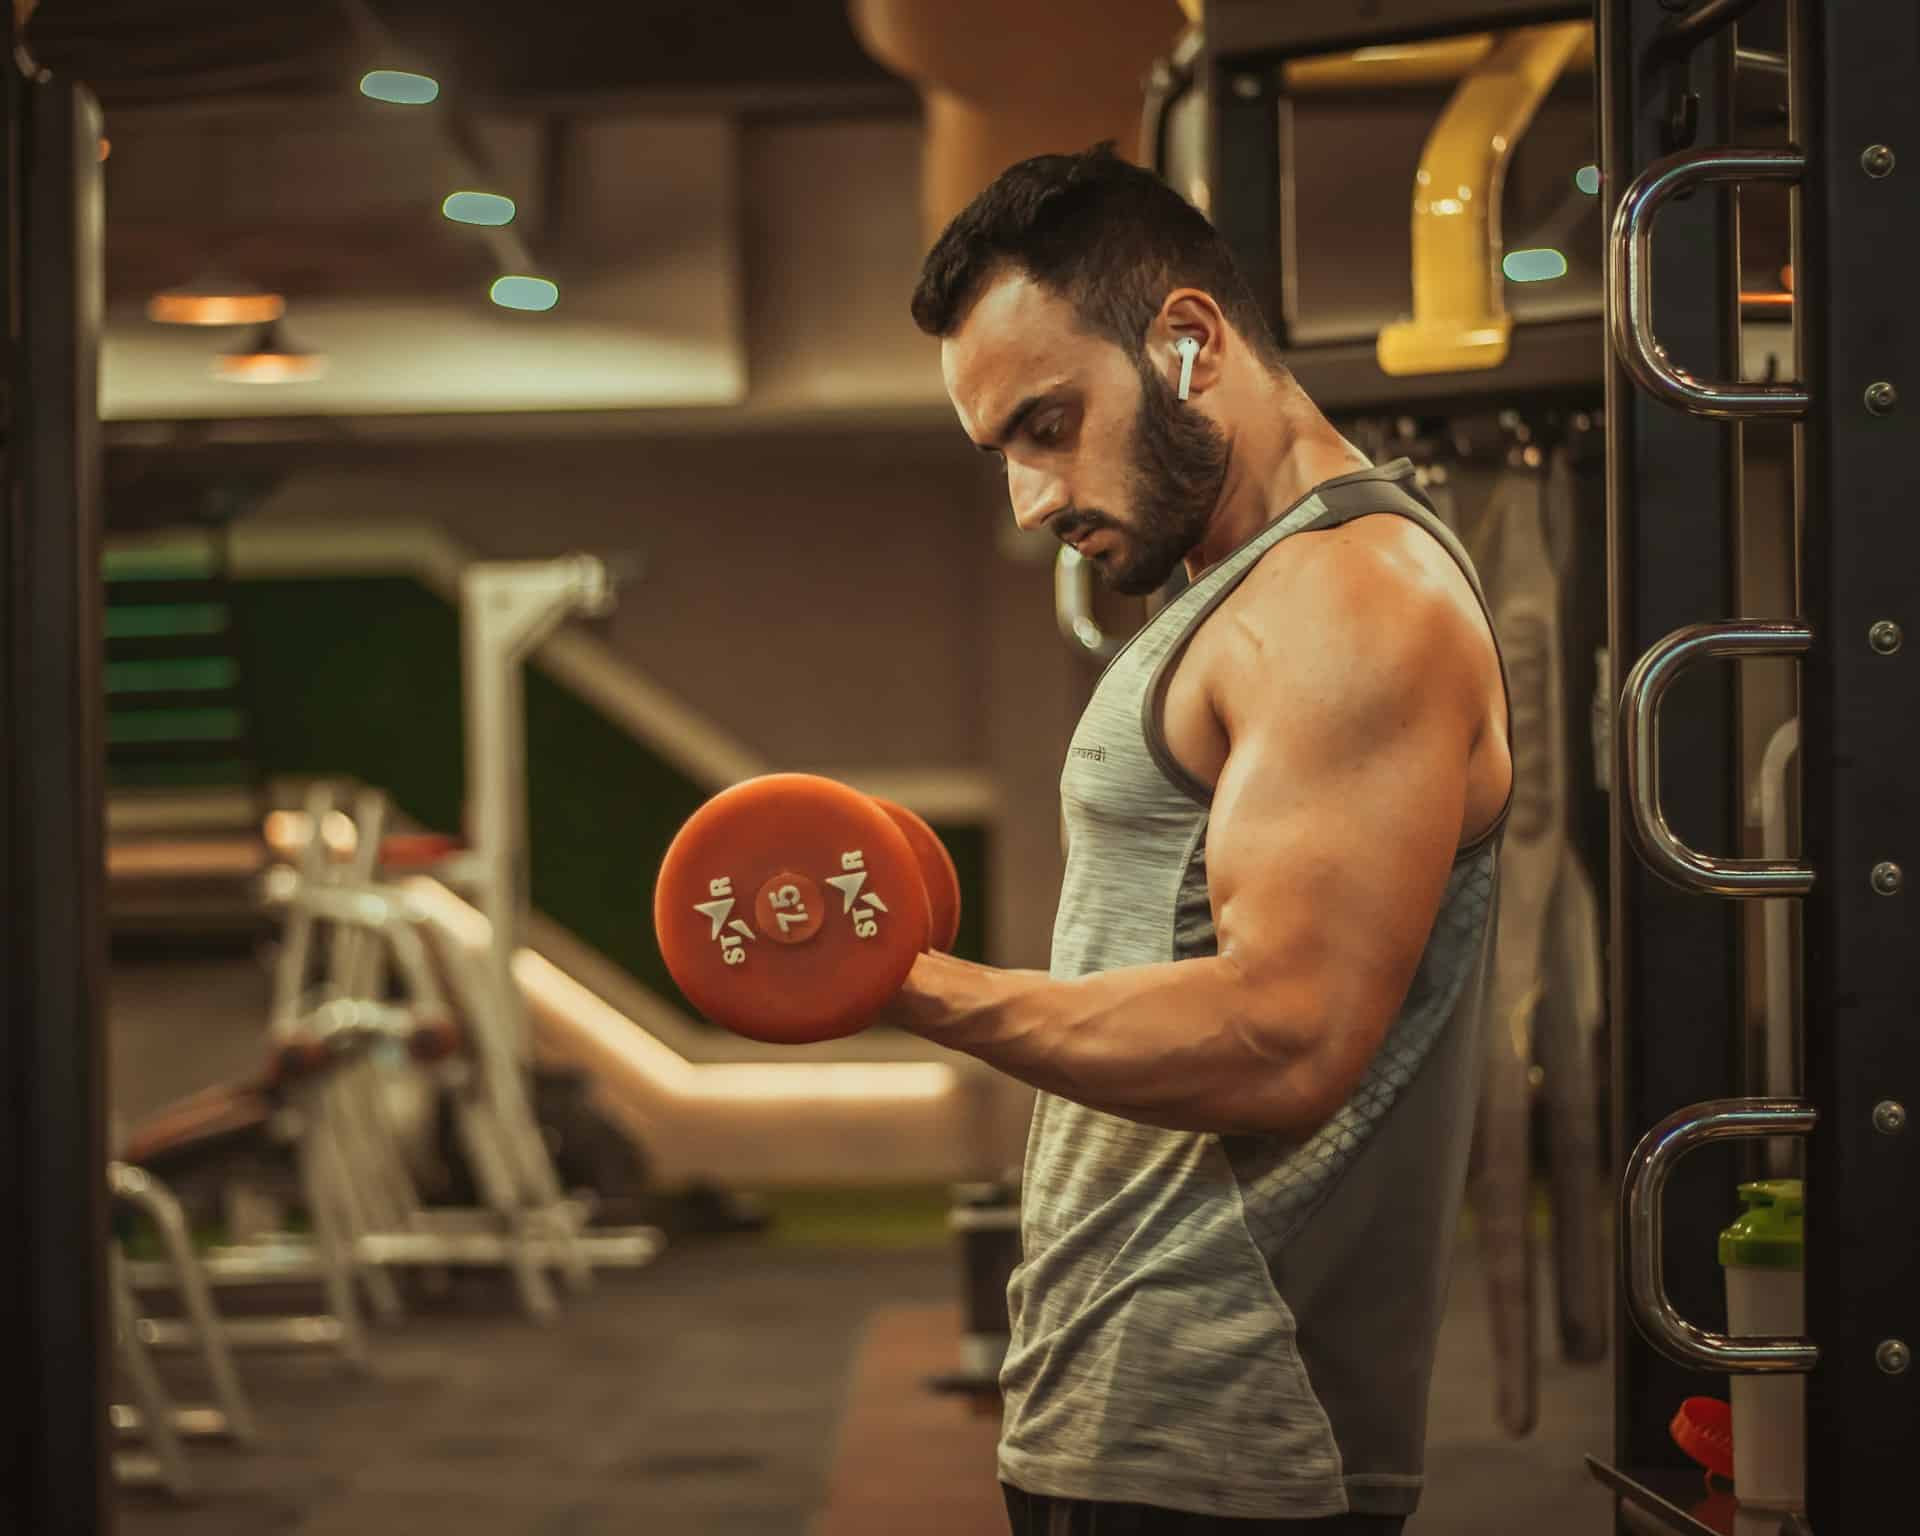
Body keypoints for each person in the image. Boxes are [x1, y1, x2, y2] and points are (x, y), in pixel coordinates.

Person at [872, 144, 1515, 1534]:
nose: (1033, 502)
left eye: (1050, 425)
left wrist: (910, 986)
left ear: (1185, 341)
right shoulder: (1255, 592)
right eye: (1004, 456)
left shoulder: (1353, 601)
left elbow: (1286, 1032)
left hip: (1233, 1443)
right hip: (1130, 1412)